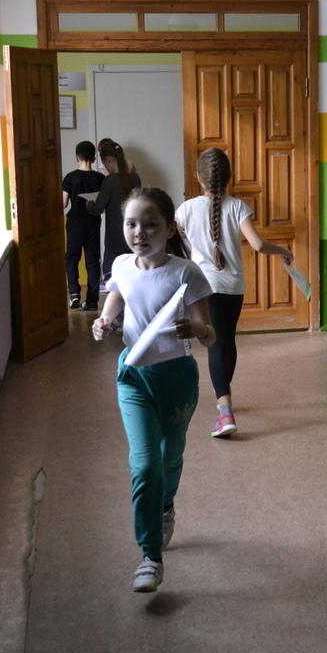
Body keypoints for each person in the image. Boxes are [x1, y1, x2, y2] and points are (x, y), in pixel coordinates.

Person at [92, 187, 215, 593]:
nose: (139, 233)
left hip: (176, 378)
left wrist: (196, 329)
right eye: (131, 224)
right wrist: (103, 322)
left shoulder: (186, 273)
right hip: (133, 377)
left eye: (150, 224)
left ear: (170, 228)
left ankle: (165, 505)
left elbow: (211, 335)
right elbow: (116, 297)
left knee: (170, 456)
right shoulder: (121, 265)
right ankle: (150, 556)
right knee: (145, 465)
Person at [176, 147, 293, 438]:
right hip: (233, 287)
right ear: (228, 178)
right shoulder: (237, 207)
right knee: (226, 340)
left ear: (198, 177)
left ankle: (225, 411)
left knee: (214, 343)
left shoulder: (186, 209)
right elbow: (258, 244)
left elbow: (176, 237)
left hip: (204, 286)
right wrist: (283, 251)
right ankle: (224, 395)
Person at [87, 138, 142, 284]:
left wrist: (89, 203)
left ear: (108, 159)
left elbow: (97, 209)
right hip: (134, 235)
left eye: (104, 164)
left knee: (111, 280)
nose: (105, 167)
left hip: (114, 240)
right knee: (133, 278)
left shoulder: (110, 181)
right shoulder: (135, 178)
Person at [62, 140, 105, 310]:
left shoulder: (70, 177)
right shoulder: (100, 178)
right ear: (93, 159)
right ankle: (92, 301)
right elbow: (102, 204)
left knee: (72, 258)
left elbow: (63, 204)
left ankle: (74, 293)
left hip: (75, 223)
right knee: (93, 260)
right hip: (93, 222)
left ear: (76, 158)